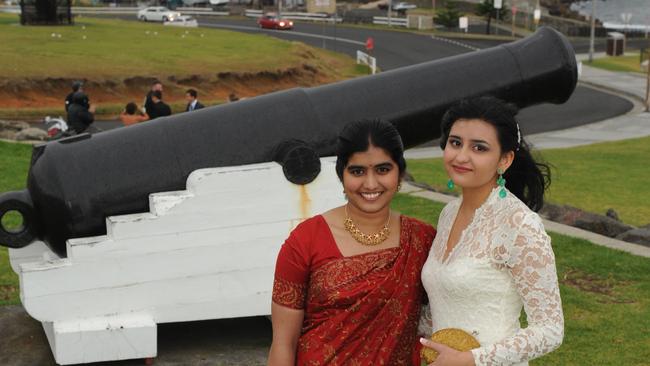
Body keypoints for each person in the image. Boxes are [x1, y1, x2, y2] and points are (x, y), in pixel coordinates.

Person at [268, 119, 436, 365]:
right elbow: (283, 344)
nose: (370, 184)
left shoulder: (422, 239)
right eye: (357, 171)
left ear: (399, 173)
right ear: (342, 175)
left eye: (382, 169)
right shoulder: (305, 240)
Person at [419, 96, 563, 365]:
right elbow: (444, 298)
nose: (461, 156)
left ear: (505, 159)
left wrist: (472, 359)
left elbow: (550, 329)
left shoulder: (519, 224)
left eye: (479, 148)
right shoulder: (449, 213)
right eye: (455, 142)